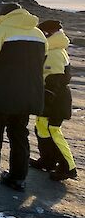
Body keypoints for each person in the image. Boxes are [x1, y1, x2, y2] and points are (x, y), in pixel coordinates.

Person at [0, 3, 47, 192]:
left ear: (4, 15)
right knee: (19, 134)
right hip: (28, 94)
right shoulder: (39, 35)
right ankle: (17, 178)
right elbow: (41, 63)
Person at [30, 20, 78, 181]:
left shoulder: (54, 52)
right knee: (42, 129)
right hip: (49, 99)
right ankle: (48, 160)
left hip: (56, 101)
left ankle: (68, 167)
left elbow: (55, 80)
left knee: (53, 131)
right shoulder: (53, 49)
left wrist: (46, 101)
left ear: (47, 34)